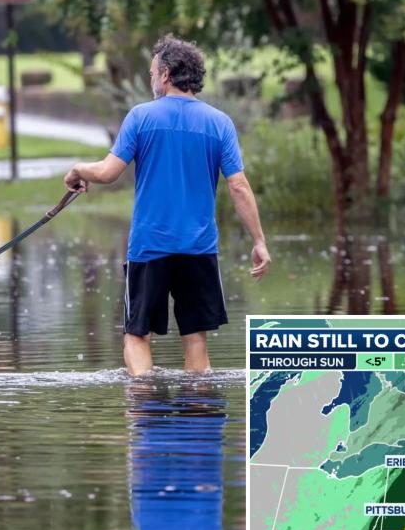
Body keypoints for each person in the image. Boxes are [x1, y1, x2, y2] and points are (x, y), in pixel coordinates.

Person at [64, 35, 270, 375]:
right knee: (195, 338)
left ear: (165, 74)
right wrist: (259, 241)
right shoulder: (219, 123)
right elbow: (239, 186)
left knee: (136, 336)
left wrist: (77, 170)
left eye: (151, 73)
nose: (150, 81)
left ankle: (144, 414)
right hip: (199, 248)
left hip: (150, 247)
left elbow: (108, 172)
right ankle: (200, 417)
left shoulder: (141, 117)